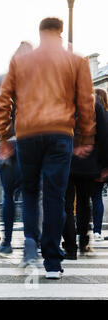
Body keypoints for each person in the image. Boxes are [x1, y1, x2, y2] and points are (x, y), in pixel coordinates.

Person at [0, 17, 96, 279]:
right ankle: (52, 260)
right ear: (60, 33)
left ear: (40, 33)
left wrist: (5, 137)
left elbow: (2, 100)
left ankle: (30, 242)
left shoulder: (21, 61)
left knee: (29, 191)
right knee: (54, 196)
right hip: (60, 133)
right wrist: (85, 138)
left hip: (28, 133)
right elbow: (86, 102)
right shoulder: (76, 61)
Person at [0, 41, 34, 255]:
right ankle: (32, 240)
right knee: (30, 194)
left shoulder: (2, 78)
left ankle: (6, 241)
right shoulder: (38, 80)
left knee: (8, 196)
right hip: (32, 142)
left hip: (8, 143)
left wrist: (3, 133)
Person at [62, 89, 108, 259]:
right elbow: (104, 135)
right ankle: (83, 241)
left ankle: (70, 247)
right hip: (88, 161)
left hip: (65, 161)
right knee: (84, 203)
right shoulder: (94, 105)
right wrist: (105, 164)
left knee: (66, 205)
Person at [92, 88, 108, 241]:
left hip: (96, 164)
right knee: (97, 197)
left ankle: (94, 231)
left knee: (94, 197)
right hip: (103, 163)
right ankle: (97, 231)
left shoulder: (94, 117)